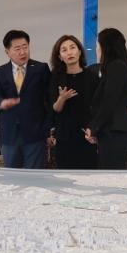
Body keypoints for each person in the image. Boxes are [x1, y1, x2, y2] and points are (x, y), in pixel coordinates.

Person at [0, 30, 52, 168]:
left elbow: (49, 99)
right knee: (12, 176)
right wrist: (1, 102)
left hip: (35, 133)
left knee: (34, 175)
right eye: (17, 49)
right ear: (7, 51)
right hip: (9, 133)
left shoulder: (41, 68)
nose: (23, 52)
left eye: (25, 47)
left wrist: (47, 130)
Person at [85, 28, 127, 169]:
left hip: (115, 132)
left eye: (97, 45)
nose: (96, 49)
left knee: (111, 175)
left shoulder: (116, 66)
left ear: (105, 46)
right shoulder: (113, 67)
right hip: (110, 131)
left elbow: (109, 101)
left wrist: (94, 127)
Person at [48, 35, 99, 169]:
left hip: (87, 135)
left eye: (72, 48)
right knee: (65, 176)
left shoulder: (92, 77)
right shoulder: (56, 77)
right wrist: (62, 98)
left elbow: (98, 108)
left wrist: (94, 129)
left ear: (79, 51)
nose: (69, 52)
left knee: (88, 175)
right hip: (64, 136)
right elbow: (55, 109)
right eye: (64, 50)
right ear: (60, 56)